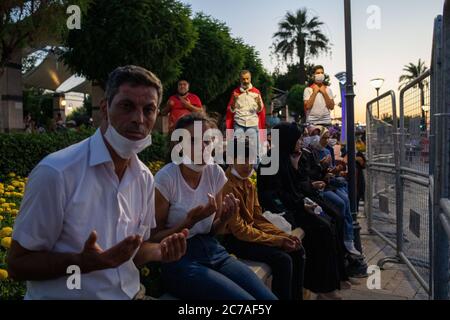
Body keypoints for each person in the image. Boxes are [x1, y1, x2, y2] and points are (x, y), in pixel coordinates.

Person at [7, 65, 188, 300]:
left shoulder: (144, 177)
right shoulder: (57, 173)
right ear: (104, 108)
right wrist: (82, 263)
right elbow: (17, 265)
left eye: (149, 109)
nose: (138, 119)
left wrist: (159, 251)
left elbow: (131, 253)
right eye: (127, 106)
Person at [151, 113, 277, 300]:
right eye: (193, 140)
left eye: (208, 141)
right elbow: (153, 238)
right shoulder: (166, 178)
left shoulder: (215, 173)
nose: (203, 147)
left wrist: (224, 218)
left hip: (213, 251)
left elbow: (211, 231)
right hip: (179, 259)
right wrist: (188, 222)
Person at [257, 122, 349, 300]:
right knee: (321, 229)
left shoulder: (284, 157)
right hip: (284, 211)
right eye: (297, 138)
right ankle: (321, 286)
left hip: (296, 205)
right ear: (287, 140)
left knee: (330, 221)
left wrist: (303, 195)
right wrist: (299, 204)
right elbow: (273, 196)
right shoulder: (271, 160)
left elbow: (294, 186)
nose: (300, 141)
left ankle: (328, 283)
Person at [222, 138, 305, 300]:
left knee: (297, 249)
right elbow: (239, 230)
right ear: (231, 160)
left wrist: (284, 236)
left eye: (250, 159)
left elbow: (258, 218)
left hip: (251, 234)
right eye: (243, 159)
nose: (248, 164)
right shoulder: (227, 186)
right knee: (282, 260)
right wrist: (276, 240)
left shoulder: (248, 184)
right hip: (235, 240)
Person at [304, 125, 361, 256]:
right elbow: (311, 176)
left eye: (325, 137)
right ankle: (345, 238)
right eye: (318, 136)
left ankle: (348, 238)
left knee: (346, 199)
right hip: (320, 188)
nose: (323, 140)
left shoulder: (326, 151)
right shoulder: (307, 153)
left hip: (327, 184)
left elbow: (327, 171)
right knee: (342, 203)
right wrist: (324, 170)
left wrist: (334, 170)